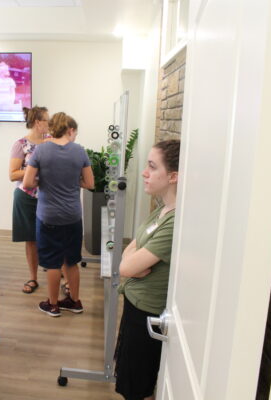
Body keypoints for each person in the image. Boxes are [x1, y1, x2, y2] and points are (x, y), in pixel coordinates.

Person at [114, 139, 180, 400]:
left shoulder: (174, 221)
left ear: (173, 176)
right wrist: (129, 263)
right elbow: (130, 253)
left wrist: (128, 263)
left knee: (138, 386)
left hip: (147, 315)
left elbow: (127, 264)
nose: (144, 172)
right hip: (135, 307)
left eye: (152, 167)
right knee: (132, 380)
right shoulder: (162, 209)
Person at [23, 112, 94, 317]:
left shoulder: (41, 150)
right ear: (70, 130)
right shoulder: (79, 151)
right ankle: (75, 301)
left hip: (48, 216)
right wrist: (73, 182)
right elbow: (90, 183)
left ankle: (53, 304)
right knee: (71, 261)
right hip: (73, 216)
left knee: (53, 262)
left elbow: (27, 183)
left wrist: (43, 181)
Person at [9, 105, 50, 294]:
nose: (50, 124)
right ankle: (33, 278)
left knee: (54, 236)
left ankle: (58, 271)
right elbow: (12, 174)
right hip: (26, 197)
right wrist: (33, 170)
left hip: (50, 197)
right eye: (47, 121)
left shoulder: (53, 143)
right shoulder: (20, 145)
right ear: (37, 123)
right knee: (31, 239)